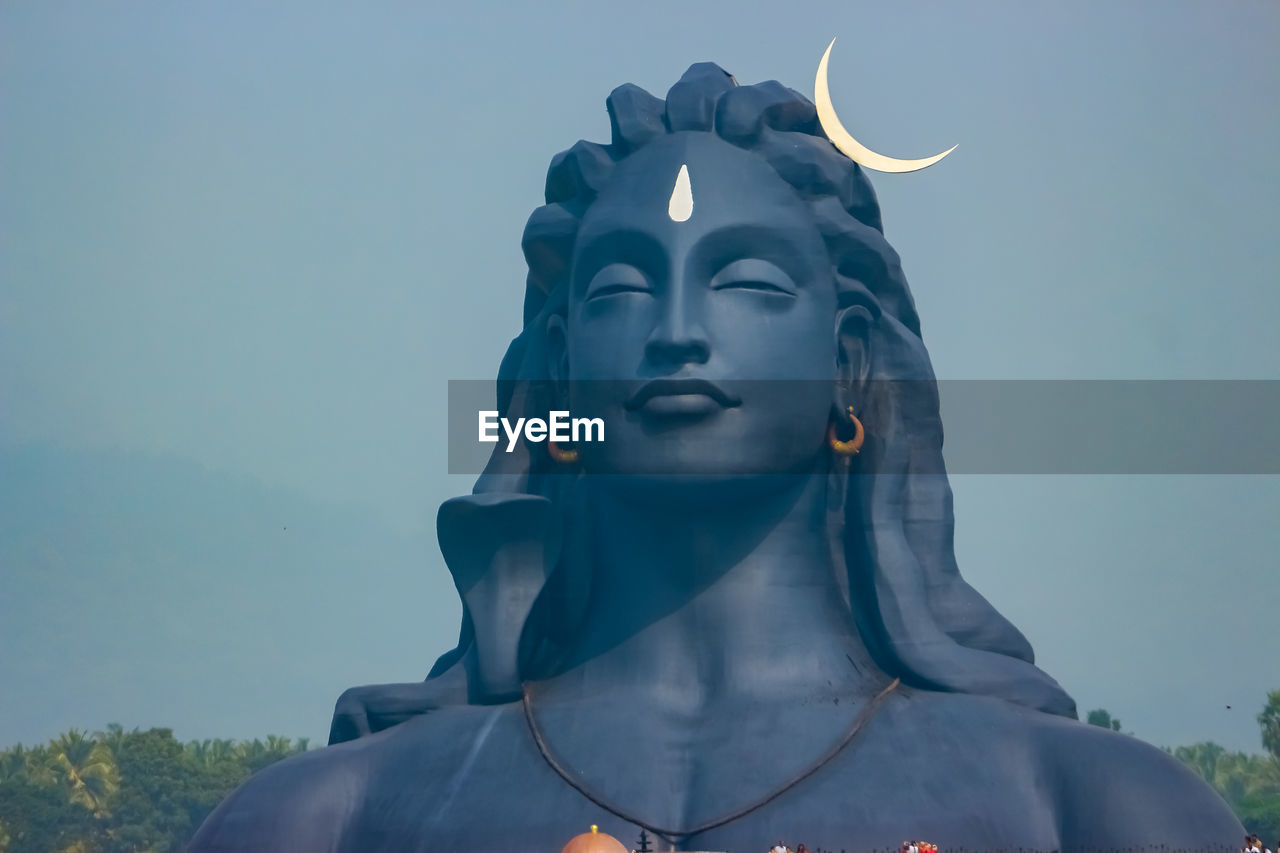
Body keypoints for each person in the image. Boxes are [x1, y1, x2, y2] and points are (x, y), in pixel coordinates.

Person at [190, 59, 1246, 853]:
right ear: (556, 374)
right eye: (618, 288)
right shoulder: (328, 819)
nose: (676, 332)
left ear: (847, 366)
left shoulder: (1090, 812)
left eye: (743, 281)